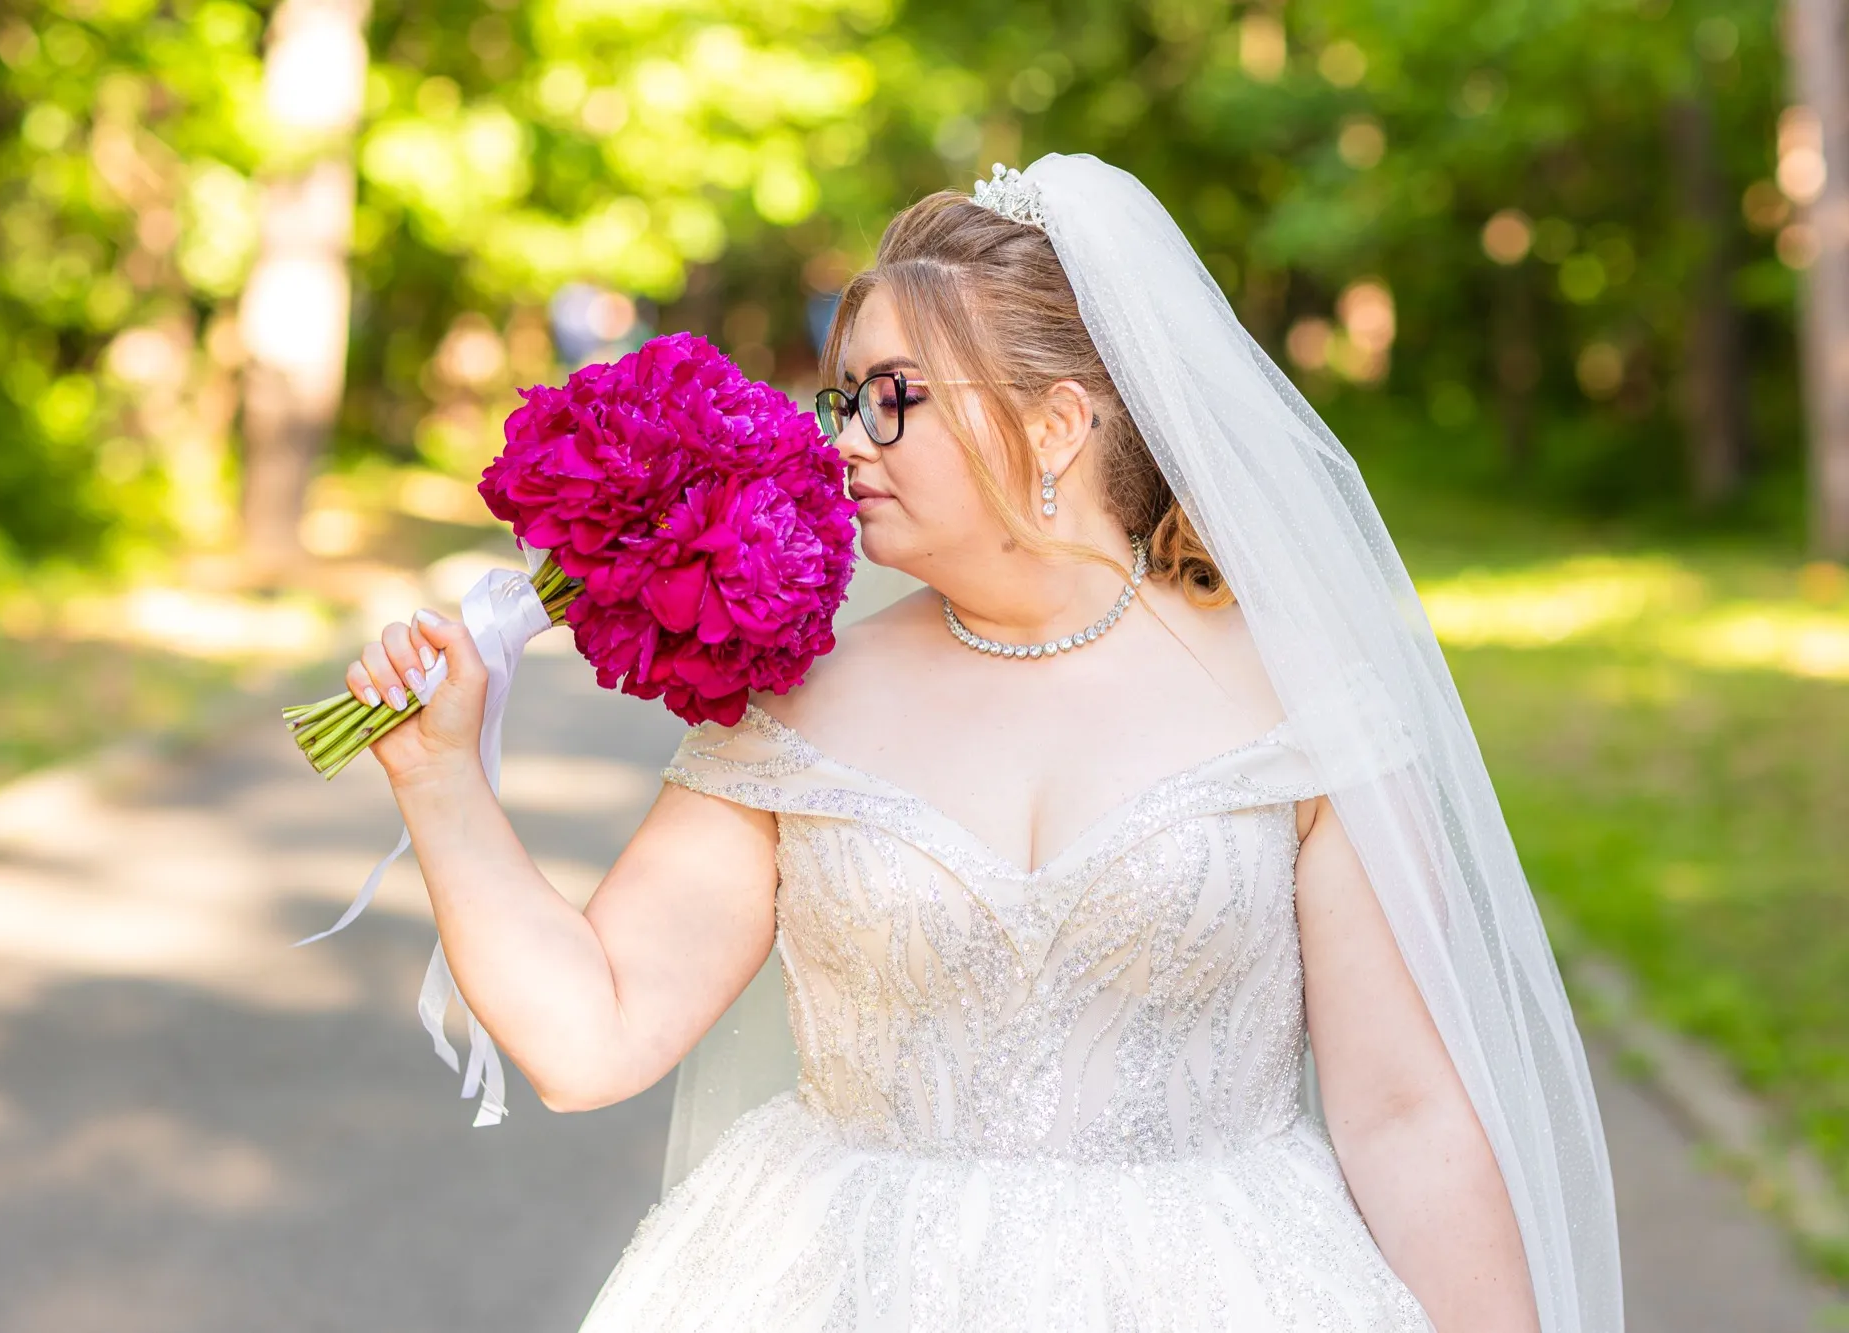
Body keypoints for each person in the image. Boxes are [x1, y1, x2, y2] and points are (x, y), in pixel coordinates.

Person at [345, 154, 1621, 1330]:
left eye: (890, 399)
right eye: (845, 398)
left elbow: (1407, 1115)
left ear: (1056, 423)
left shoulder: (1297, 703)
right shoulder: (793, 701)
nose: (844, 440)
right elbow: (591, 1037)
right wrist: (438, 775)